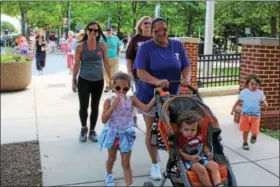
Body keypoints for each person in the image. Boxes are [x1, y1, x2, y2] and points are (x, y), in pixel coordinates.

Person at [133, 17, 192, 180]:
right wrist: (157, 81)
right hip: (150, 96)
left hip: (172, 96)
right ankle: (154, 164)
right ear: (151, 33)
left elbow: (186, 66)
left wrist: (186, 78)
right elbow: (140, 72)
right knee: (152, 129)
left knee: (175, 129)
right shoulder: (145, 48)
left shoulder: (177, 45)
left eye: (164, 29)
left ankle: (179, 162)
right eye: (157, 30)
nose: (161, 32)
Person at [98, 72, 155, 186]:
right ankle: (109, 174)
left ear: (129, 87)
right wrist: (113, 106)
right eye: (118, 88)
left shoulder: (132, 99)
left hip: (126, 135)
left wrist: (156, 96)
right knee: (112, 158)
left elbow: (146, 108)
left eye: (125, 88)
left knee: (126, 163)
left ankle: (129, 184)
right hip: (113, 134)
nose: (122, 91)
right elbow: (104, 119)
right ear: (113, 87)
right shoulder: (109, 100)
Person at [72, 21, 112, 142]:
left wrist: (110, 79)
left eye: (96, 30)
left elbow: (107, 63)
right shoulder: (80, 46)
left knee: (95, 106)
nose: (93, 32)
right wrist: (73, 80)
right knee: (83, 106)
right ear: (87, 31)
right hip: (84, 80)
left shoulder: (102, 46)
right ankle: (84, 128)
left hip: (98, 80)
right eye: (91, 30)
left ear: (99, 32)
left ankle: (92, 130)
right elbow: (76, 64)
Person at [176, 110, 225, 187]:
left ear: (196, 128)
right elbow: (180, 153)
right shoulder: (179, 139)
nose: (190, 132)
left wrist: (208, 153)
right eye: (186, 129)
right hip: (189, 161)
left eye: (193, 130)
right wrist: (190, 157)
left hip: (201, 157)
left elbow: (204, 146)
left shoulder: (199, 135)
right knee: (200, 168)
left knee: (214, 165)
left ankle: (218, 184)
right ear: (180, 129)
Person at [126, 15, 152, 127]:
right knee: (138, 96)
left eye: (150, 23)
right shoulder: (136, 39)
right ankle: (134, 116)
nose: (148, 25)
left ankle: (151, 121)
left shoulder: (155, 38)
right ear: (140, 25)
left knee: (153, 97)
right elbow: (129, 57)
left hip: (153, 74)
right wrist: (129, 72)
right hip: (138, 74)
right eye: (145, 23)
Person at [231, 74, 268, 150]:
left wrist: (265, 104)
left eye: (256, 84)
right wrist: (233, 109)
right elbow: (238, 101)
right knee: (245, 130)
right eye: (252, 84)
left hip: (255, 116)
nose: (254, 86)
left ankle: (254, 136)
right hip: (245, 115)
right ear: (247, 84)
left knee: (255, 131)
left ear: (258, 85)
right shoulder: (244, 92)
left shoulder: (260, 93)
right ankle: (245, 143)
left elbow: (264, 103)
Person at [101, 26, 121, 92]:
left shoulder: (116, 38)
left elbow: (118, 47)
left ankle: (114, 87)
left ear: (112, 31)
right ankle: (107, 86)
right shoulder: (102, 38)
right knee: (105, 73)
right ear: (106, 31)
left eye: (110, 30)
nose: (108, 31)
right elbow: (99, 47)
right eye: (107, 30)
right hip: (105, 58)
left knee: (114, 73)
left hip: (114, 58)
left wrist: (118, 55)